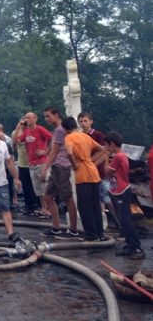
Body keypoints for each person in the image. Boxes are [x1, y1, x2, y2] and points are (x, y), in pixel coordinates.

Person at [62, 116, 106, 241]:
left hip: (83, 175)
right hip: (93, 173)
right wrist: (91, 160)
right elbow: (101, 149)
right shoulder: (86, 136)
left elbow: (69, 152)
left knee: (84, 206)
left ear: (65, 129)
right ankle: (100, 233)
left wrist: (75, 165)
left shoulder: (69, 137)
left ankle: (91, 235)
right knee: (95, 205)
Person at [104, 131, 145, 259]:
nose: (106, 148)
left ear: (112, 144)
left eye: (107, 145)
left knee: (125, 220)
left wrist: (106, 157)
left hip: (121, 191)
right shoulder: (120, 156)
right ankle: (129, 245)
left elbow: (107, 172)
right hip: (116, 190)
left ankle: (137, 247)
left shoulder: (118, 157)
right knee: (122, 220)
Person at [40, 107, 79, 239]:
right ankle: (56, 227)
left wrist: (44, 169)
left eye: (48, 116)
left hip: (61, 167)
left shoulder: (59, 130)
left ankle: (73, 230)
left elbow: (54, 152)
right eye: (45, 117)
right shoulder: (61, 130)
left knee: (68, 198)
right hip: (58, 167)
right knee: (48, 197)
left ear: (56, 115)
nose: (46, 119)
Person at [79, 111, 118, 230]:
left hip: (98, 172)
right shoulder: (80, 136)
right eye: (81, 121)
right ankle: (102, 225)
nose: (83, 124)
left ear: (91, 121)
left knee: (106, 199)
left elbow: (105, 151)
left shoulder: (98, 135)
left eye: (85, 121)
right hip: (87, 173)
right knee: (97, 200)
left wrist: (91, 163)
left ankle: (118, 223)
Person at [15, 111, 52, 218]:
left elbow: (52, 137)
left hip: (41, 163)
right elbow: (16, 141)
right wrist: (19, 127)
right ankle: (43, 209)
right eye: (26, 118)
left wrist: (46, 151)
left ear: (35, 118)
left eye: (29, 118)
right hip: (31, 164)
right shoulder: (26, 132)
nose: (27, 120)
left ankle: (49, 210)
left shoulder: (40, 129)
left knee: (45, 187)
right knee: (38, 189)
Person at [11, 122, 40, 216]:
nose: (25, 125)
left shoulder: (32, 132)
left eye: (26, 123)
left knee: (35, 185)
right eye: (23, 123)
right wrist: (18, 126)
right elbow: (14, 142)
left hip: (33, 162)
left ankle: (38, 205)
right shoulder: (16, 132)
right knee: (26, 186)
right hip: (22, 163)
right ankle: (29, 206)